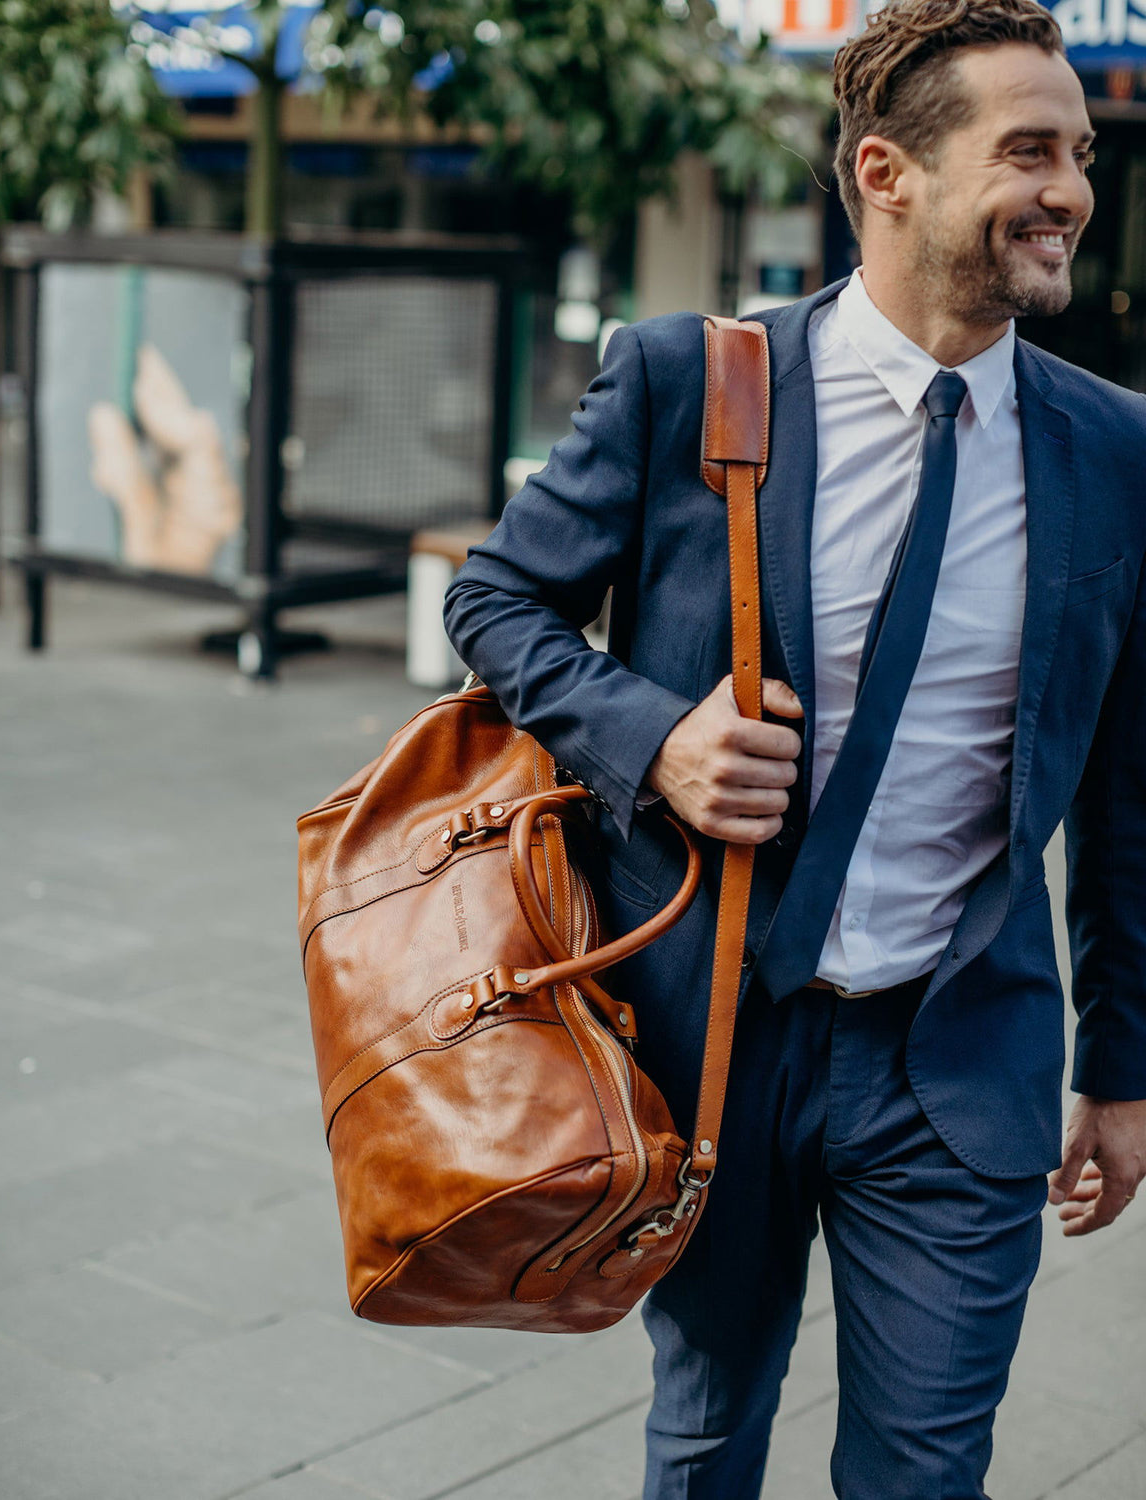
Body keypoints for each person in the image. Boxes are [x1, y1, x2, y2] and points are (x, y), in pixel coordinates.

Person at [443, 0, 1146, 1494]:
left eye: (1080, 155)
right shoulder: (691, 381)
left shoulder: (1114, 449)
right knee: (705, 1436)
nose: (1073, 192)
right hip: (710, 1036)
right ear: (887, 172)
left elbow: (1128, 783)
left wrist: (1127, 1064)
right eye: (1030, 152)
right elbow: (496, 598)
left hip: (960, 1056)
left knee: (926, 1467)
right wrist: (655, 739)